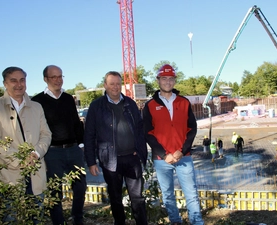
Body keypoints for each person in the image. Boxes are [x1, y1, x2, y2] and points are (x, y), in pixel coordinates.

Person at [84, 71, 148, 225]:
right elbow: (89, 135)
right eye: (111, 84)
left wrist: (140, 152)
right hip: (110, 161)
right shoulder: (96, 106)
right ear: (105, 85)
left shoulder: (130, 103)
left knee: (137, 198)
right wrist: (91, 162)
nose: (115, 87)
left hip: (132, 159)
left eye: (118, 83)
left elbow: (140, 129)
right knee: (115, 198)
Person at [143, 64, 204, 225]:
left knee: (191, 194)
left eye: (171, 79)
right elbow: (148, 133)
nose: (168, 82)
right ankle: (175, 221)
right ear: (158, 80)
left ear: (175, 81)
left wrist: (182, 151)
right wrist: (164, 154)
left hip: (183, 157)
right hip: (162, 159)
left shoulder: (184, 102)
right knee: (168, 194)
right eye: (164, 78)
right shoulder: (149, 106)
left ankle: (196, 222)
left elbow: (192, 128)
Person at [0, 66, 52, 223]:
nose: (19, 84)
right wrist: (19, 160)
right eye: (13, 80)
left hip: (36, 172)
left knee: (37, 216)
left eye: (22, 80)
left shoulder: (36, 107)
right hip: (9, 174)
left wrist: (35, 154)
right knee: (12, 217)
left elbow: (46, 134)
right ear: (5, 83)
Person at [32, 65, 86, 225]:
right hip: (51, 152)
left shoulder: (69, 98)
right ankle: (58, 221)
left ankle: (78, 218)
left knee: (80, 187)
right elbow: (36, 130)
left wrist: (81, 145)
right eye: (53, 77)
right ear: (45, 79)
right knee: (55, 191)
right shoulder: (37, 101)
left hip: (73, 149)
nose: (58, 80)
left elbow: (76, 123)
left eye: (60, 76)